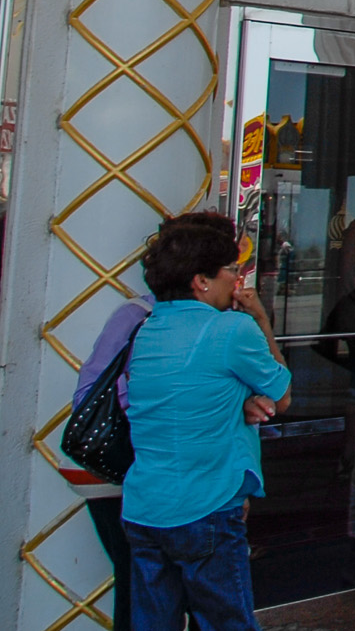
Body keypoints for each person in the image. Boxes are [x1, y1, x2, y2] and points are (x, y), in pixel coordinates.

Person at [121, 211, 291, 631]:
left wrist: (237, 402)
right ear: (201, 280)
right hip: (207, 507)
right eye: (231, 271)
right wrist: (261, 320)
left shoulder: (149, 328)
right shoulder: (231, 329)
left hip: (145, 507)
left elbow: (188, 393)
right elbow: (282, 395)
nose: (237, 282)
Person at [69, 290, 155, 631]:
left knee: (138, 578)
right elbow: (89, 392)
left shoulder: (138, 313)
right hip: (116, 468)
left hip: (122, 469)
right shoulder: (141, 315)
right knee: (138, 579)